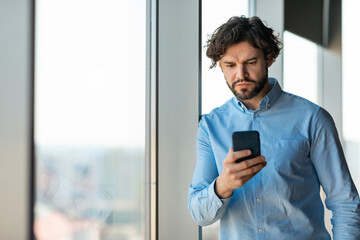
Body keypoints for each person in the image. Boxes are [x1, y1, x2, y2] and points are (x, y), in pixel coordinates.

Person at [188, 16, 360, 239]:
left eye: (250, 63)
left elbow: (345, 202)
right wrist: (223, 185)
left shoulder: (313, 119)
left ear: (269, 58)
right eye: (230, 65)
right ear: (220, 66)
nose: (240, 75)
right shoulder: (210, 126)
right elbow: (199, 214)